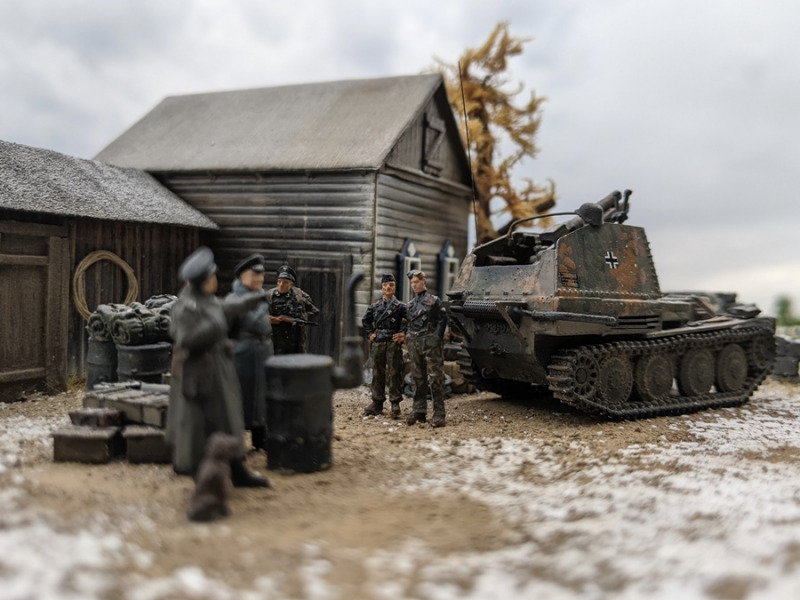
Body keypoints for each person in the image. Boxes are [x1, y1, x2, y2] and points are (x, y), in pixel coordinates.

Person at [165, 246, 270, 487]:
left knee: (228, 420)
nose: (215, 281)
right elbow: (186, 339)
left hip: (217, 370)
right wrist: (216, 326)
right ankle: (201, 478)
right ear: (203, 280)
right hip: (199, 373)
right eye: (212, 277)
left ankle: (237, 469)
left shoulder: (206, 299)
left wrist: (254, 299)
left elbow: (225, 308)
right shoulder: (186, 306)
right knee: (201, 426)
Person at [226, 253, 272, 451]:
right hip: (242, 357)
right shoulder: (233, 300)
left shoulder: (261, 299)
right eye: (254, 277)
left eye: (261, 278)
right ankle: (237, 441)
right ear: (242, 278)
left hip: (263, 354)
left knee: (262, 398)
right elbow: (225, 332)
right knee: (241, 398)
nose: (259, 281)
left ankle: (261, 438)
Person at [404, 269, 448, 428]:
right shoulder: (410, 305)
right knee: (417, 377)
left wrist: (436, 338)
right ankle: (419, 410)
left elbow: (442, 320)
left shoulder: (434, 301)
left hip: (430, 341)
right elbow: (408, 323)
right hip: (415, 342)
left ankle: (439, 413)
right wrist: (407, 337)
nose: (414, 285)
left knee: (435, 377)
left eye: (417, 282)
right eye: (412, 283)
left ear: (424, 282)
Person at [362, 273, 407, 418]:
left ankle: (395, 402)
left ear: (395, 287)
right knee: (377, 372)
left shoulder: (400, 307)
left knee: (395, 372)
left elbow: (413, 320)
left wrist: (404, 334)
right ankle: (377, 402)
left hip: (393, 341)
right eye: (385, 285)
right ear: (382, 287)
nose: (388, 287)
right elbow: (365, 321)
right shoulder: (375, 306)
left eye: (391, 285)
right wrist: (370, 334)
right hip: (379, 342)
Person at [267, 265, 320, 355]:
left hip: (295, 338)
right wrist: (272, 320)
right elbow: (259, 315)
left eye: (285, 282)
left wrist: (301, 318)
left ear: (291, 284)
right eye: (279, 281)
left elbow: (314, 311)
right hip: (275, 339)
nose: (281, 285)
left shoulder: (299, 296)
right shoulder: (269, 296)